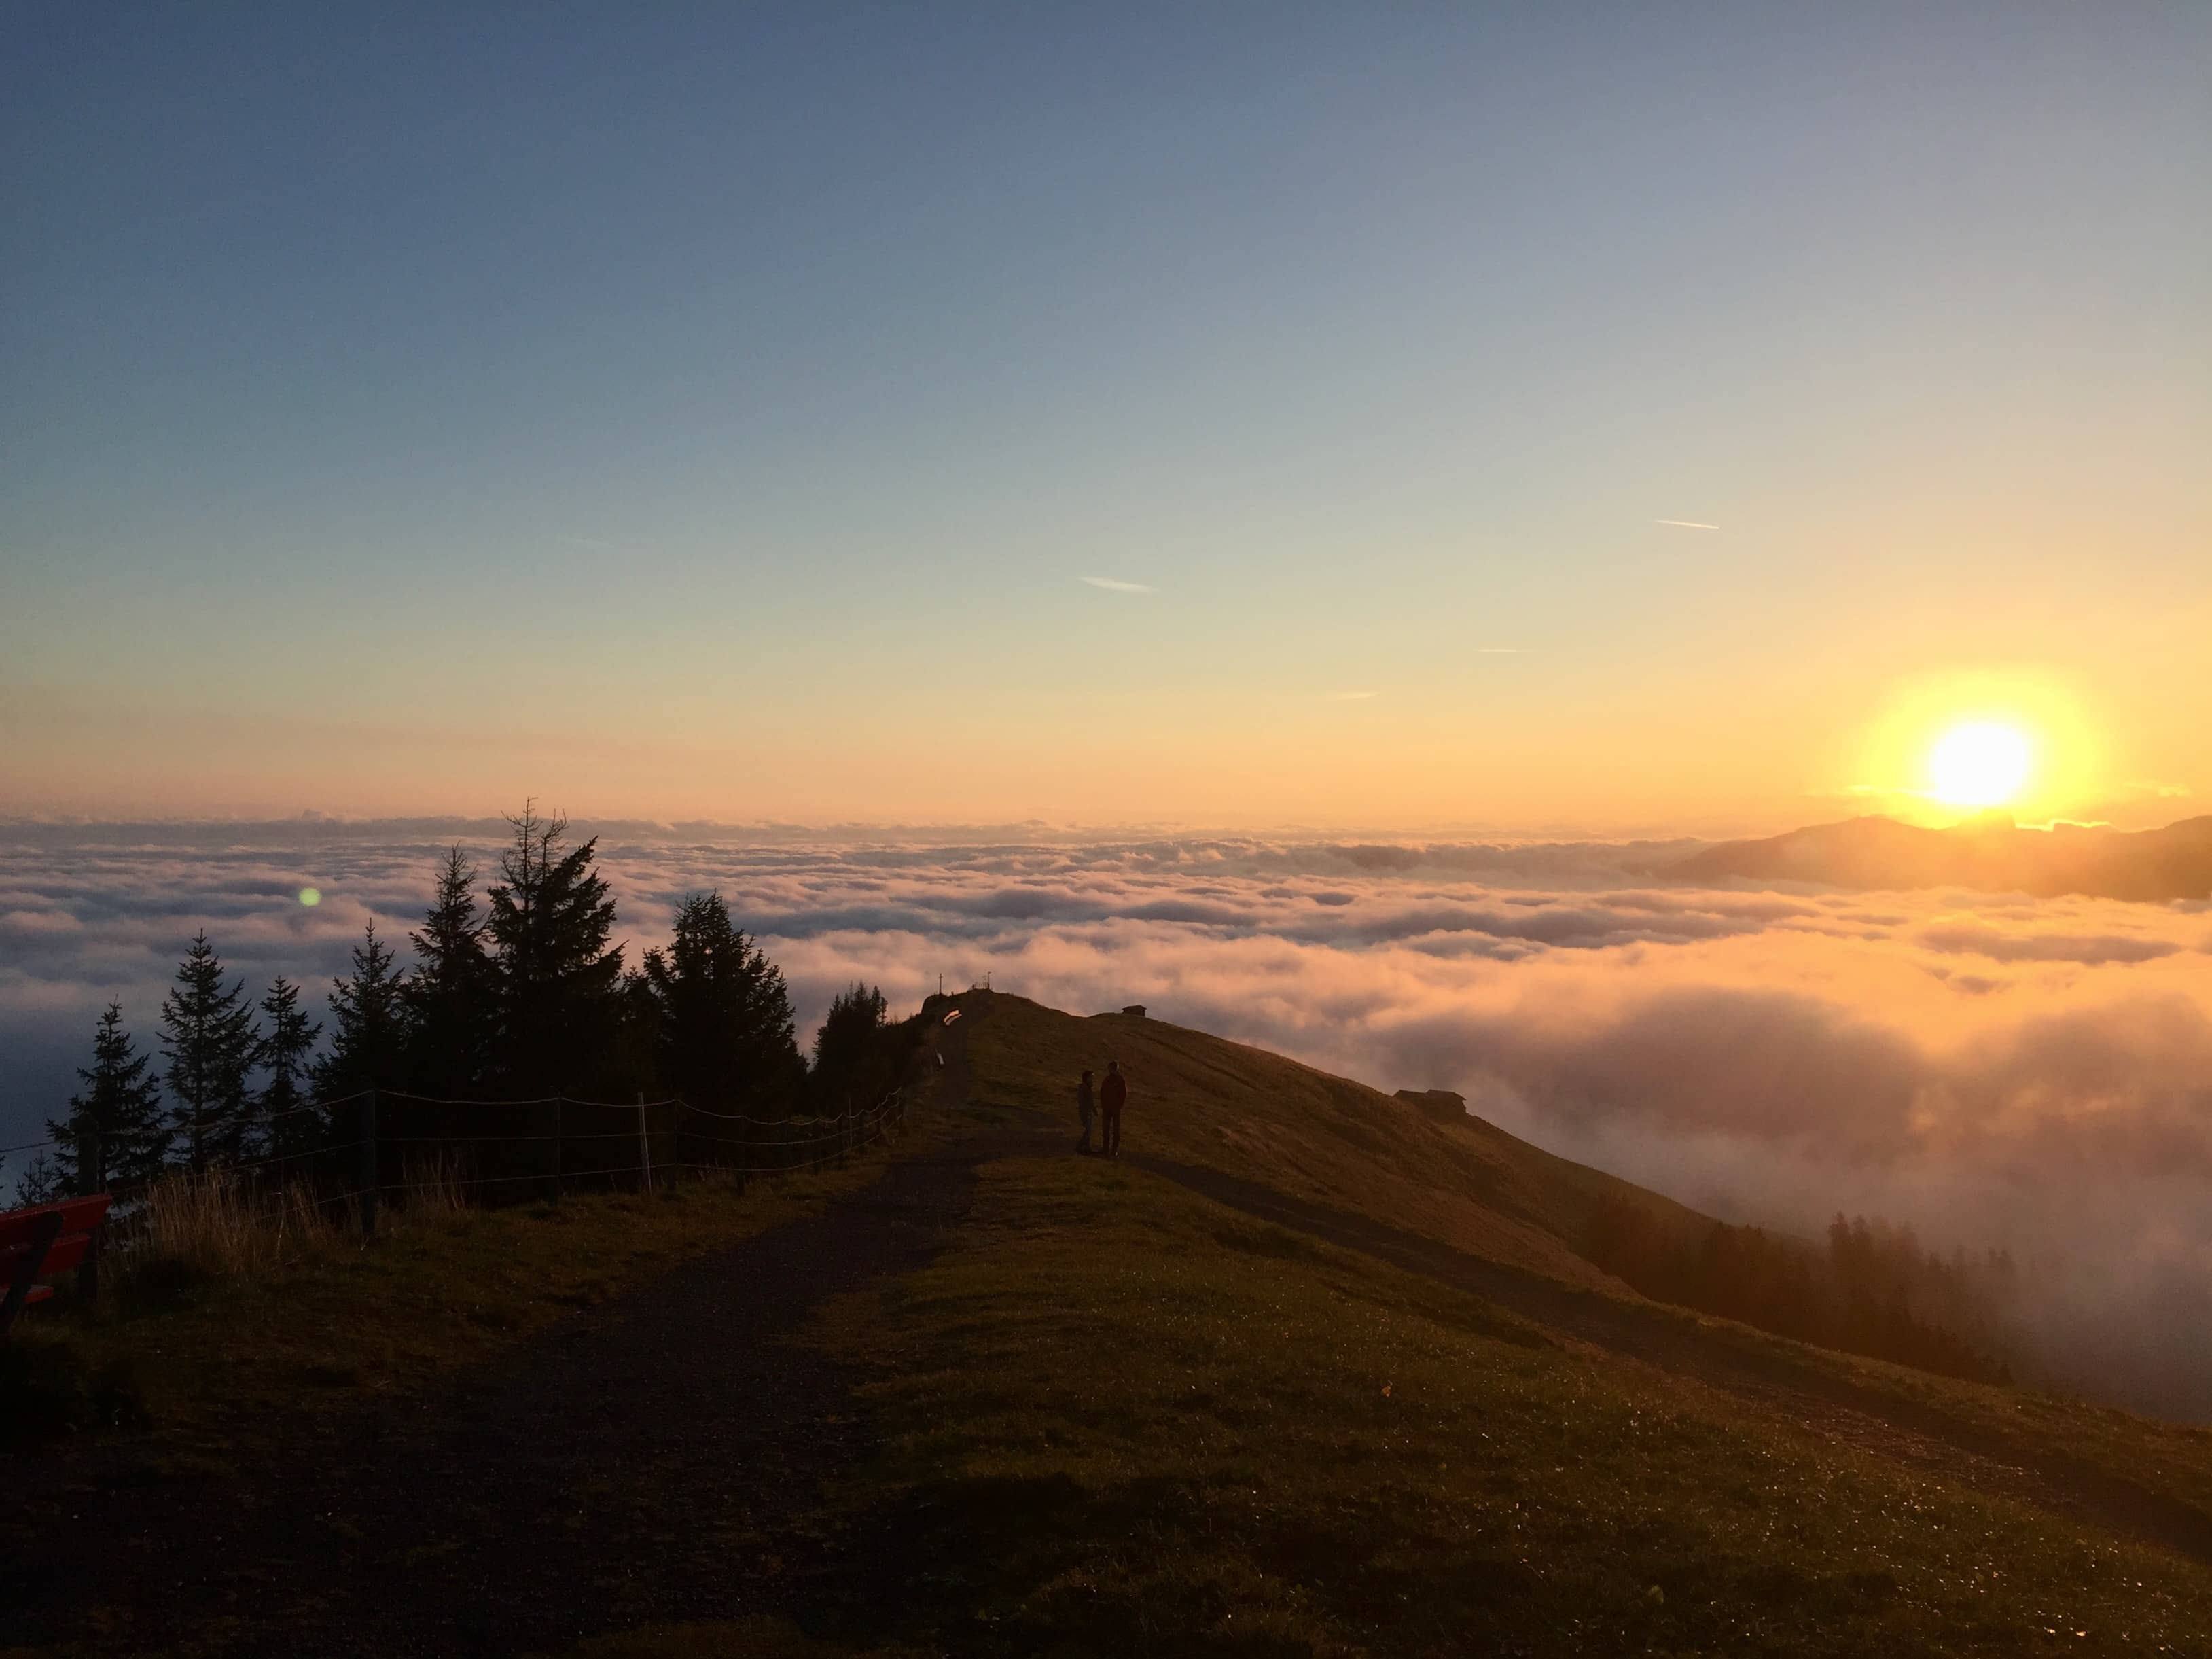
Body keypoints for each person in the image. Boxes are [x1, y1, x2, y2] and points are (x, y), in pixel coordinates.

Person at [1098, 1058, 1126, 1158]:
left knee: (1115, 1130)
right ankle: (1106, 1149)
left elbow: (1123, 1095)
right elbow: (1102, 1092)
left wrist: (1118, 1106)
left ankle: (1113, 1150)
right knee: (1106, 1129)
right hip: (1108, 1108)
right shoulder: (1108, 1080)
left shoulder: (1119, 1081)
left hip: (1114, 1109)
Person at [1075, 1068, 1096, 1155]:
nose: (1092, 1080)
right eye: (1091, 1078)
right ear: (1086, 1078)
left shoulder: (1087, 1088)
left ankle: (1087, 1148)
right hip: (1085, 1112)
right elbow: (1083, 1101)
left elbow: (1090, 1101)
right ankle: (1080, 1146)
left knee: (1089, 1130)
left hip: (1088, 1112)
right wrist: (1090, 1109)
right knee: (1088, 1130)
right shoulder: (1084, 1088)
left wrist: (1093, 1109)